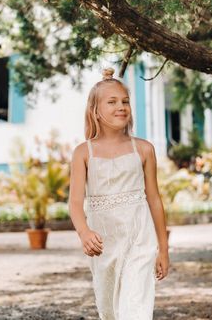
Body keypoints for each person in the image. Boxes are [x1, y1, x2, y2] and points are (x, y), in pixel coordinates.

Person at [68, 68, 170, 319]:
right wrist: (84, 232)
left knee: (135, 307)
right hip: (104, 244)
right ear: (96, 111)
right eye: (112, 102)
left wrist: (163, 249)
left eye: (125, 101)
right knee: (110, 309)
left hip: (139, 239)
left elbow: (154, 200)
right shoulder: (83, 153)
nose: (121, 107)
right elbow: (75, 202)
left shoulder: (144, 149)